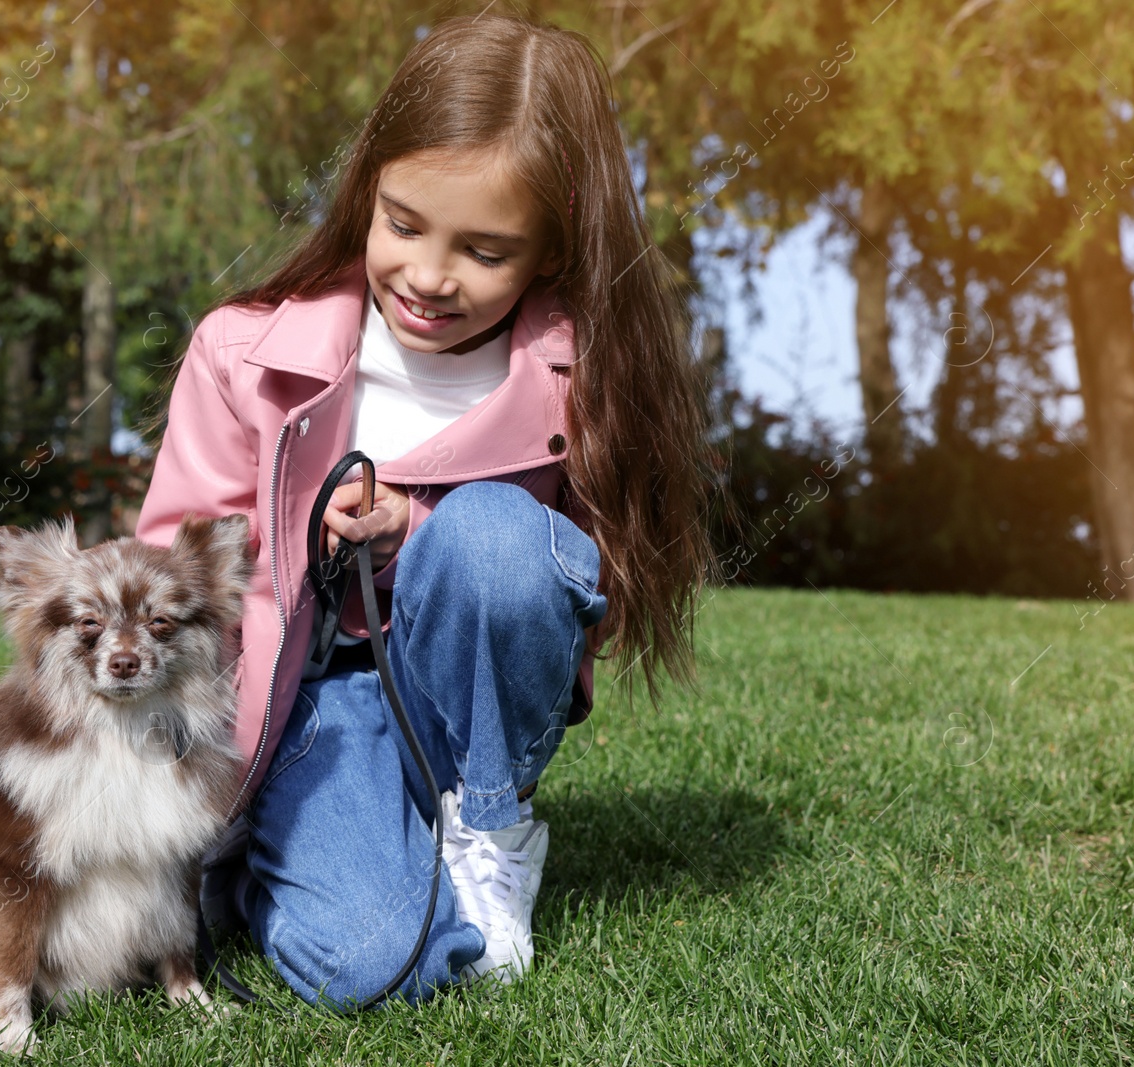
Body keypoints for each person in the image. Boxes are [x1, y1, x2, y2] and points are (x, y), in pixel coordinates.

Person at [133, 13, 717, 1009]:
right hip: (307, 707)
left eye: (485, 250)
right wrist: (291, 546)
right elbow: (170, 576)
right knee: (375, 966)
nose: (430, 276)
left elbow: (586, 583)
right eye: (403, 223)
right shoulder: (241, 351)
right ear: (366, 189)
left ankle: (488, 829)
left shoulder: (587, 378)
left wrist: (415, 530)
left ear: (551, 244)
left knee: (492, 536)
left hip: (471, 719)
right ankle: (275, 853)